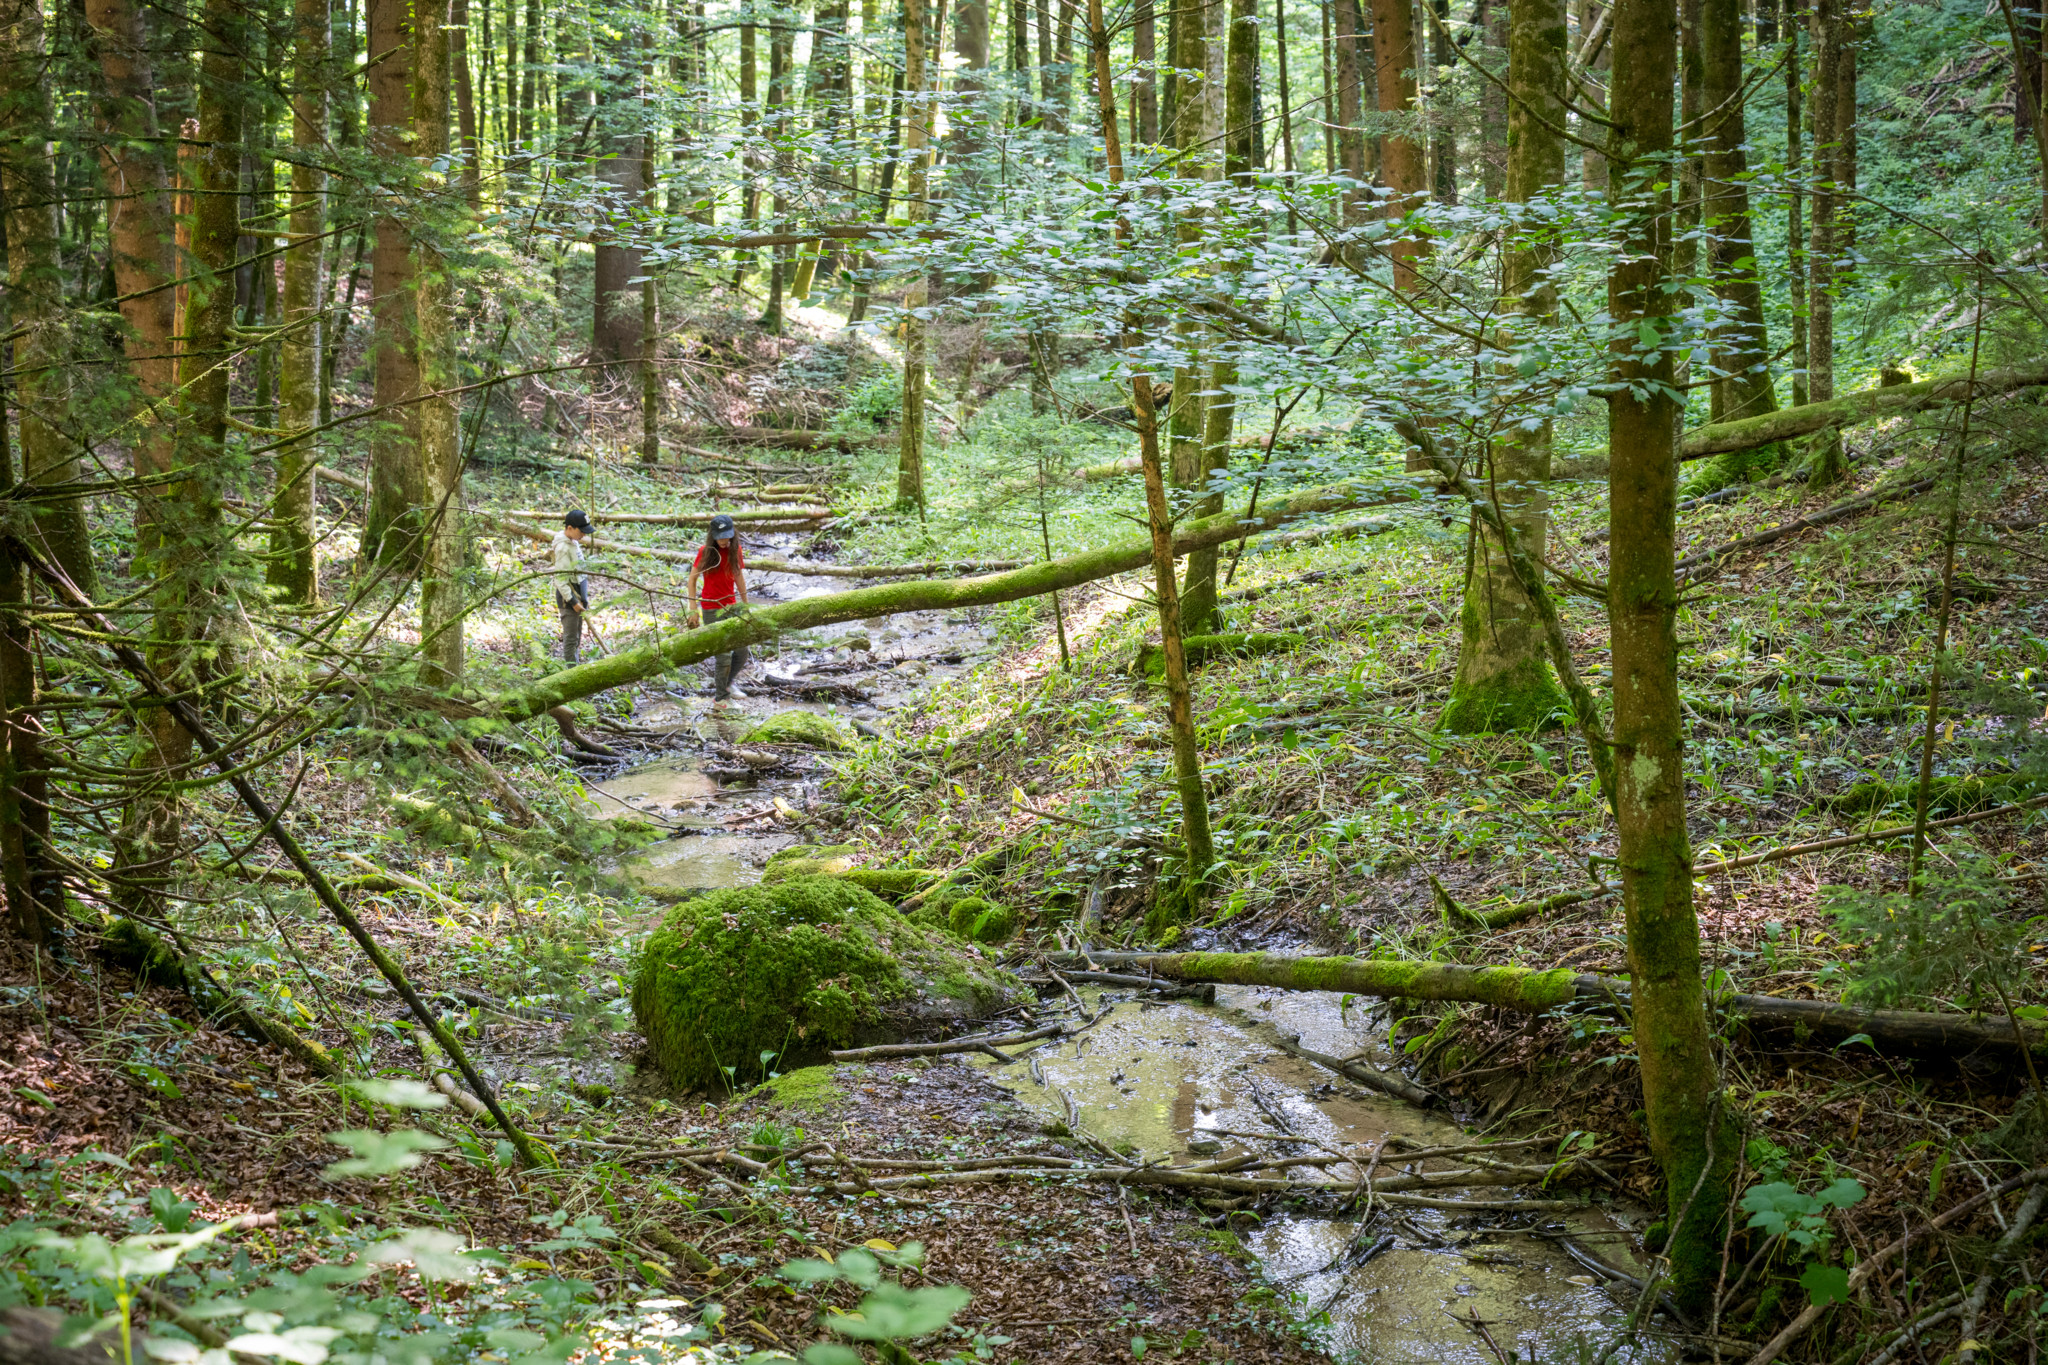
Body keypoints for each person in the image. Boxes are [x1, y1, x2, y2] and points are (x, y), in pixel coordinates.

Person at [687, 513, 750, 700]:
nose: (723, 540)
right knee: (723, 656)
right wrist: (693, 609)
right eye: (720, 537)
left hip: (731, 606)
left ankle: (728, 684)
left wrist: (745, 606)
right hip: (711, 608)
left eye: (727, 536)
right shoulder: (705, 552)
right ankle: (720, 700)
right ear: (713, 535)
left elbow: (738, 576)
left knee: (742, 651)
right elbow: (692, 579)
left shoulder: (735, 549)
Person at [553, 509, 592, 663]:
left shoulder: (573, 542)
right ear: (570, 528)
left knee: (577, 637)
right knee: (570, 639)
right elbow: (560, 579)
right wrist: (574, 602)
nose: (584, 534)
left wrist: (584, 598)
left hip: (578, 594)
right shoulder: (563, 548)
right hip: (568, 599)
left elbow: (580, 571)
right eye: (581, 531)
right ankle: (571, 673)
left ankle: (575, 667)